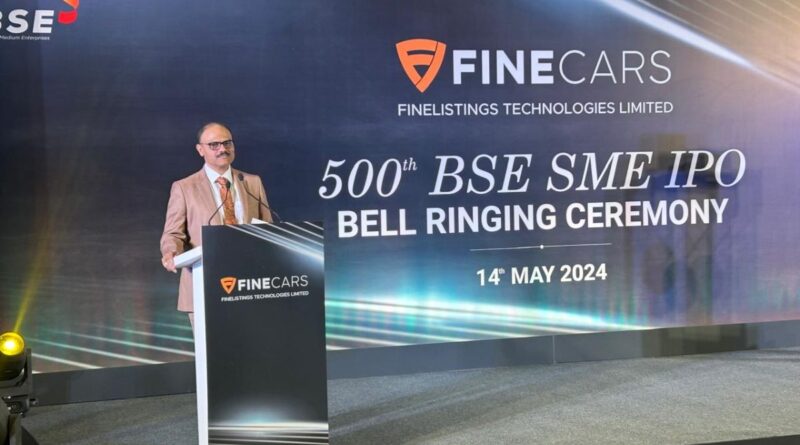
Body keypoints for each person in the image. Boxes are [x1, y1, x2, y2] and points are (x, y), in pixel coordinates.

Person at [160, 122, 272, 327]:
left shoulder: (251, 182)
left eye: (227, 143)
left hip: (249, 285)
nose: (223, 149)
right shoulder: (184, 188)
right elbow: (173, 234)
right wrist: (170, 252)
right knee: (213, 348)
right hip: (204, 284)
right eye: (214, 145)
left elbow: (267, 229)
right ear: (200, 150)